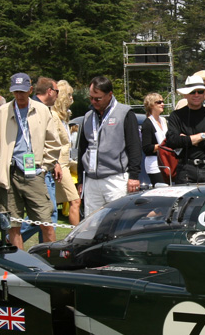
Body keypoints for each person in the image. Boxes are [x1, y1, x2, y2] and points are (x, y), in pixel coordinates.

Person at [0, 72, 61, 249]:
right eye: (16, 91)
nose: (19, 95)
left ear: (30, 90)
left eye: (23, 91)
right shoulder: (2, 112)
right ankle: (20, 264)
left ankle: (52, 262)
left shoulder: (42, 110)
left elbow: (54, 142)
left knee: (45, 221)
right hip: (8, 173)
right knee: (13, 224)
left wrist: (44, 166)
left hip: (34, 173)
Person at [76, 76, 142, 216]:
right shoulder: (88, 117)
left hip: (115, 178)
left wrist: (134, 175)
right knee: (92, 221)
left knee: (117, 219)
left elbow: (134, 146)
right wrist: (81, 181)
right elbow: (82, 149)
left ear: (110, 95)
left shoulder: (124, 113)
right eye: (91, 98)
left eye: (98, 98)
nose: (94, 101)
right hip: (91, 179)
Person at [19, 77, 62, 244]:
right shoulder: (34, 109)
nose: (58, 96)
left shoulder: (42, 109)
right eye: (57, 92)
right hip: (35, 168)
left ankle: (44, 252)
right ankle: (11, 240)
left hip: (42, 166)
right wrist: (48, 165)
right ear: (50, 91)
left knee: (47, 213)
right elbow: (32, 141)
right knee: (46, 213)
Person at [166, 75, 205, 183]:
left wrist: (188, 140)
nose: (196, 95)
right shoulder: (176, 116)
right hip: (185, 169)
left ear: (204, 93)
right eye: (193, 92)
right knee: (185, 200)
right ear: (186, 94)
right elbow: (172, 141)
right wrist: (202, 136)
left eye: (200, 91)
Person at [53, 80, 81, 225]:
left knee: (49, 208)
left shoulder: (63, 118)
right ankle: (75, 238)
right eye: (69, 95)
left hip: (65, 165)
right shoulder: (54, 116)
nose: (72, 99)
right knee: (75, 201)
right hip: (58, 165)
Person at [140, 91, 169, 184]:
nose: (162, 104)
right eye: (159, 102)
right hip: (154, 164)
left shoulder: (163, 121)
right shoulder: (147, 124)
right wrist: (162, 145)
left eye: (162, 102)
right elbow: (146, 148)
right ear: (151, 105)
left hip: (166, 162)